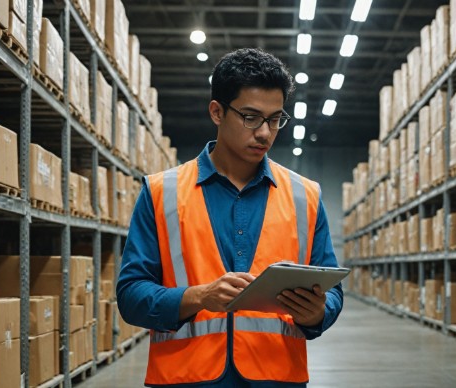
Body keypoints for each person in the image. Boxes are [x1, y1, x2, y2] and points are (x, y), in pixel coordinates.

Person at [117, 48, 344, 387]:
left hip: (276, 377)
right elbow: (131, 296)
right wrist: (199, 297)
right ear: (217, 112)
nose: (265, 132)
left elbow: (333, 290)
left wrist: (318, 314)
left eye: (275, 119)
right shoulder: (161, 192)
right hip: (185, 379)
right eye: (251, 117)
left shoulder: (305, 196)